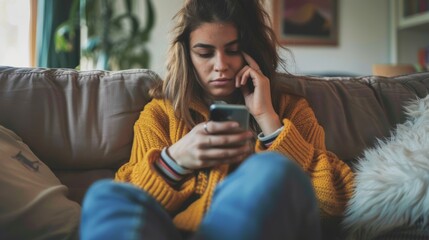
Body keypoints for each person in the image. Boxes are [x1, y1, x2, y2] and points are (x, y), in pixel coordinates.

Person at [80, 0, 354, 239]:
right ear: (187, 54)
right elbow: (133, 199)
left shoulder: (290, 110)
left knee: (274, 170)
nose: (221, 65)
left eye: (233, 50)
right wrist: (175, 160)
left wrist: (268, 120)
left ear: (251, 50)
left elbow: (337, 202)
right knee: (105, 195)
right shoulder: (161, 114)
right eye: (205, 53)